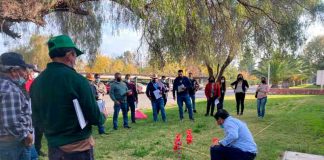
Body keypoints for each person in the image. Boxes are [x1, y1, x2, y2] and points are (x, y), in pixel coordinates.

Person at [30, 35, 108, 159]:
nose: (75, 59)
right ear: (70, 54)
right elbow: (94, 117)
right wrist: (103, 115)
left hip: (54, 147)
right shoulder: (77, 80)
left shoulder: (36, 83)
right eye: (75, 55)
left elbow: (35, 117)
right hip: (78, 148)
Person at [0, 52, 34, 160]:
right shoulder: (10, 90)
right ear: (14, 71)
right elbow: (11, 123)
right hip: (12, 145)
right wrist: (26, 136)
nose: (25, 73)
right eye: (23, 69)